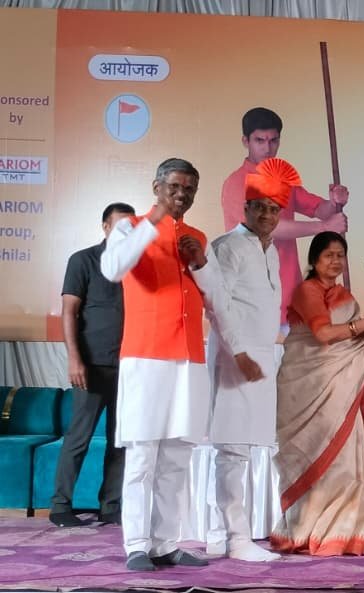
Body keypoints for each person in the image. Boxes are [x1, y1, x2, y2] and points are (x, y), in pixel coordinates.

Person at [101, 158, 244, 571]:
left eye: (189, 190)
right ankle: (136, 545)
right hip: (145, 358)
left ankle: (165, 543)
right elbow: (113, 268)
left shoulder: (197, 237)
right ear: (156, 187)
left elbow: (216, 297)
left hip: (188, 360)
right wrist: (154, 221)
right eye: (174, 188)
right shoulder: (130, 227)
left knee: (177, 457)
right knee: (143, 456)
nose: (181, 195)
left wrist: (200, 262)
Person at [270, 232, 364, 556]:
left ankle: (339, 534)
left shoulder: (343, 296)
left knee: (346, 461)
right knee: (317, 458)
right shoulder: (306, 290)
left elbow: (350, 343)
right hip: (309, 388)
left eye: (340, 255)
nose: (335, 261)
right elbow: (324, 335)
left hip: (343, 391)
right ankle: (303, 530)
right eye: (328, 255)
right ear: (314, 259)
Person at [206, 158, 301, 563]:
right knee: (231, 451)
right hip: (235, 357)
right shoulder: (227, 247)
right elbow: (217, 305)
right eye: (259, 207)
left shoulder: (270, 251)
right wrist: (240, 353)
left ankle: (223, 534)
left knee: (241, 450)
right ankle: (235, 538)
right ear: (244, 208)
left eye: (273, 209)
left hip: (261, 357)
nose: (266, 215)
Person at [221, 107, 349, 324]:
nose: (267, 148)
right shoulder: (237, 182)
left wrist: (334, 202)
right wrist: (324, 227)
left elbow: (319, 210)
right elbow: (269, 227)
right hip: (251, 297)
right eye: (260, 140)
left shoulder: (281, 179)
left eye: (273, 140)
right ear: (245, 141)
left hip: (290, 295)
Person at [51, 202, 134, 528]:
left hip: (129, 367)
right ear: (105, 227)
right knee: (78, 438)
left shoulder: (136, 267)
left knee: (120, 442)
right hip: (91, 366)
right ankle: (60, 506)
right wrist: (75, 359)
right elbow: (69, 312)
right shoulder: (83, 260)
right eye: (119, 226)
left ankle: (110, 507)